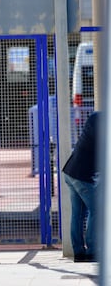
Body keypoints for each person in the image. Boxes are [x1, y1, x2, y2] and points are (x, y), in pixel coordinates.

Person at [62, 111, 100, 262]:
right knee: (97, 210)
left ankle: (78, 252)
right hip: (83, 176)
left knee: (78, 214)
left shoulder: (95, 118)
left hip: (71, 172)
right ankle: (92, 250)